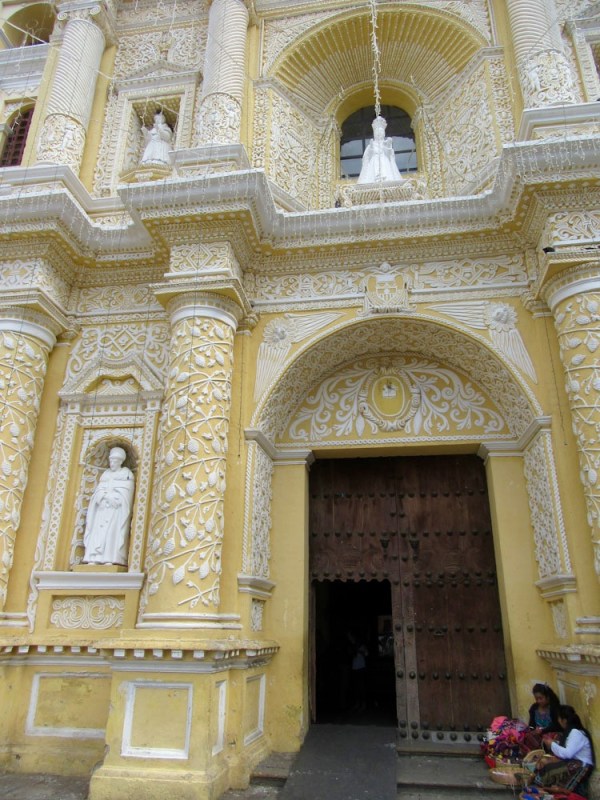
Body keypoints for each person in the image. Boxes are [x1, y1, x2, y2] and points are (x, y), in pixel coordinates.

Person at [83, 447, 135, 566]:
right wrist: (105, 497)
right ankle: (94, 557)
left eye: (114, 461)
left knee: (112, 534)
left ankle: (110, 558)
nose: (112, 463)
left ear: (120, 461)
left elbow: (127, 492)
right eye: (111, 461)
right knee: (97, 533)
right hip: (102, 509)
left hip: (116, 510)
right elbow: (98, 491)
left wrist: (116, 498)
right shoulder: (106, 474)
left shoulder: (126, 474)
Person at [534, 705, 595, 796]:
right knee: (546, 766)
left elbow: (567, 753)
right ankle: (548, 790)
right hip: (574, 762)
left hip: (581, 765)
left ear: (564, 720)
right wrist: (554, 743)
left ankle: (553, 791)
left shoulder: (576, 732)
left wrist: (552, 744)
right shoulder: (572, 731)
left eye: (559, 718)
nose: (558, 721)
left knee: (548, 771)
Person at [357, 115, 404, 184]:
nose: (379, 134)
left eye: (381, 132)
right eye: (377, 132)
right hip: (373, 164)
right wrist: (371, 148)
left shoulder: (386, 143)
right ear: (374, 134)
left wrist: (388, 147)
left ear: (384, 133)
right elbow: (366, 158)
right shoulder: (371, 145)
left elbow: (390, 156)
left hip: (385, 163)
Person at [522, 683, 561, 752]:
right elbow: (531, 725)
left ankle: (545, 750)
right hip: (539, 735)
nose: (538, 701)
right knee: (527, 736)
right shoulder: (534, 708)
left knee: (554, 737)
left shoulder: (553, 708)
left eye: (541, 698)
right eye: (536, 699)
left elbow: (557, 725)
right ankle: (539, 751)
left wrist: (543, 730)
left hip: (551, 734)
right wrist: (534, 730)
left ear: (547, 697)